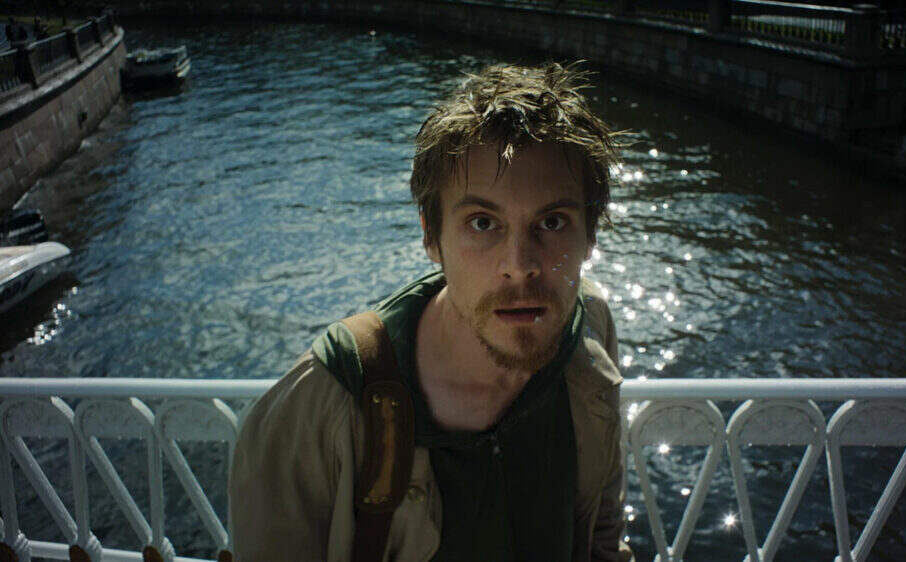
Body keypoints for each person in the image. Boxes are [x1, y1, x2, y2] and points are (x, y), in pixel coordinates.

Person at [229, 62, 633, 562]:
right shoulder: (321, 405)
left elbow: (602, 532)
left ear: (590, 235)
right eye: (482, 223)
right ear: (430, 237)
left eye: (552, 222)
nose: (520, 266)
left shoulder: (587, 325)